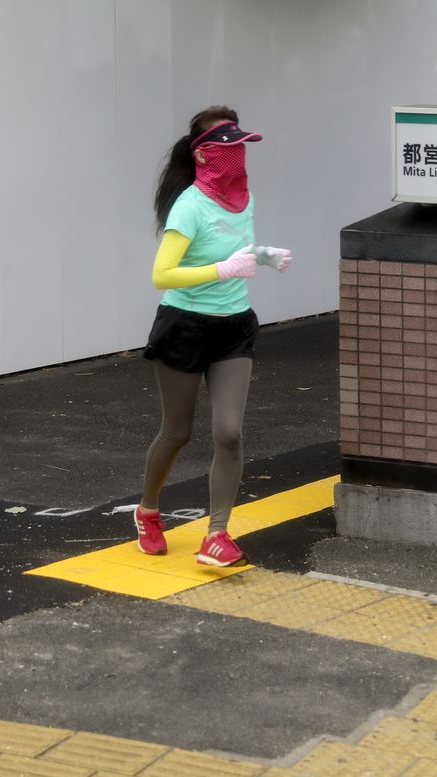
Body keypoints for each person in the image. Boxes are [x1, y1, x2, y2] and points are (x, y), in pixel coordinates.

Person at [134, 106, 292, 568]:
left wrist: (261, 256)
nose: (239, 156)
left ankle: (217, 534)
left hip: (233, 326)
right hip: (184, 326)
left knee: (229, 433)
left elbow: (236, 250)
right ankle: (147, 511)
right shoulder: (189, 205)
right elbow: (162, 274)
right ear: (204, 156)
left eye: (241, 146)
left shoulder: (246, 199)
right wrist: (223, 269)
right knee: (177, 432)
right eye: (229, 148)